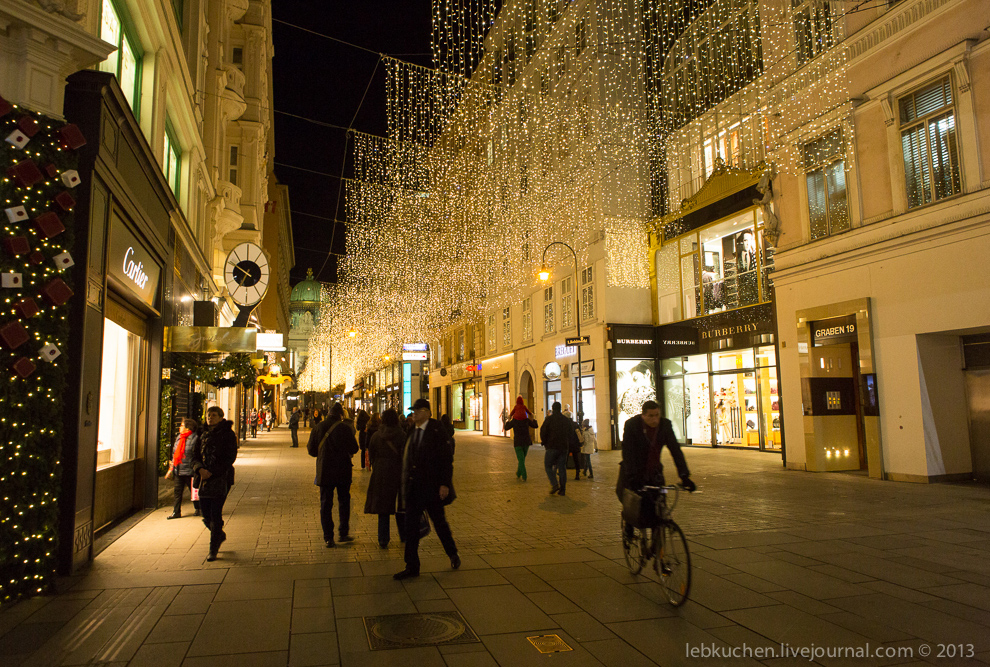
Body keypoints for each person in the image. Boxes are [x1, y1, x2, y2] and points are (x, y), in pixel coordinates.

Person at [394, 398, 459, 580]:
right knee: (410, 528)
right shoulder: (411, 430)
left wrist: (444, 484)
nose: (414, 413)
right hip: (414, 488)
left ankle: (452, 553)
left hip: (432, 488)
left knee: (440, 524)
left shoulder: (437, 430)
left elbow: (446, 459)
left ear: (427, 413)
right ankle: (411, 566)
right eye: (413, 410)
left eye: (418, 410)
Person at [620, 400, 696, 524]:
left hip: (655, 472)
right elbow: (628, 452)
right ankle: (628, 526)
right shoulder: (632, 425)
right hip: (634, 471)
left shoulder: (665, 425)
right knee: (634, 504)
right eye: (650, 416)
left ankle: (658, 532)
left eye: (657, 415)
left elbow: (675, 450)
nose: (655, 419)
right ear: (643, 415)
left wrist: (684, 476)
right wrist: (632, 476)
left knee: (660, 504)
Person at [307, 403, 358, 548]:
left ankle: (328, 537)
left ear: (328, 413)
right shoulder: (345, 428)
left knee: (326, 504)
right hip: (343, 470)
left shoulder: (319, 427)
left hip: (325, 470)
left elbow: (311, 450)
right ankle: (343, 533)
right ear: (340, 415)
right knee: (344, 502)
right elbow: (354, 448)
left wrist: (323, 454)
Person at [193, 406, 238, 561]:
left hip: (221, 479)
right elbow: (194, 455)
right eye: (208, 415)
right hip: (203, 479)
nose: (210, 418)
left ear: (220, 417)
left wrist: (212, 472)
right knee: (205, 514)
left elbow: (230, 457)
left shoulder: (227, 434)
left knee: (215, 513)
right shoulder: (201, 433)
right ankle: (219, 534)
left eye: (213, 415)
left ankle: (213, 548)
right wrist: (200, 469)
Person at [364, 408, 406, 548]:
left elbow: (371, 452)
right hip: (398, 471)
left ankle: (383, 538)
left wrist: (377, 465)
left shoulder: (377, 435)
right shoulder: (402, 435)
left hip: (381, 472)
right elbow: (406, 454)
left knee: (383, 507)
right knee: (401, 504)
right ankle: (404, 535)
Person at [166, 417, 200, 519]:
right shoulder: (179, 438)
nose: (180, 427)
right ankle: (176, 512)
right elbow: (175, 452)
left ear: (188, 428)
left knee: (194, 491)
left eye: (182, 425)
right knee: (177, 492)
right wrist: (172, 464)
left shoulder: (195, 438)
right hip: (178, 470)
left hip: (190, 471)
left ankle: (199, 509)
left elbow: (196, 454)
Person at [539, 402, 574, 496]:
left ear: (553, 409)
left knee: (548, 466)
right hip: (563, 447)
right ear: (560, 408)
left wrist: (544, 442)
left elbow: (543, 431)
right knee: (562, 468)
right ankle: (563, 490)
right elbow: (571, 433)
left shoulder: (549, 420)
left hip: (552, 446)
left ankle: (554, 484)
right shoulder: (565, 420)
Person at [504, 410, 537, 481]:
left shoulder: (514, 421)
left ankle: (524, 476)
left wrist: (508, 420)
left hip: (518, 442)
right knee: (522, 459)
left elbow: (506, 428)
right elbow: (535, 426)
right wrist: (533, 418)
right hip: (526, 442)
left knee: (521, 459)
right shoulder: (526, 420)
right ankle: (518, 473)